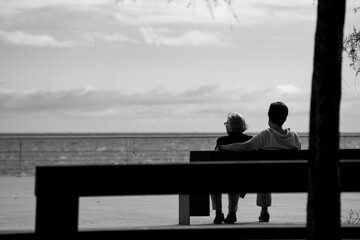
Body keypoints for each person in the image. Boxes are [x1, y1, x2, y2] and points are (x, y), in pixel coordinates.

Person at [218, 102, 301, 222]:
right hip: (290, 179)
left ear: (269, 116)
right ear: (285, 117)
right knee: (265, 173)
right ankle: (264, 211)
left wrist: (224, 147)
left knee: (264, 174)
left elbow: (243, 147)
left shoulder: (266, 135)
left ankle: (263, 211)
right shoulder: (294, 136)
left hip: (266, 178)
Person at [212, 112, 252, 224]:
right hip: (244, 180)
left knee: (214, 180)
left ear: (229, 126)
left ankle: (218, 213)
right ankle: (232, 212)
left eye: (226, 123)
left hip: (224, 179)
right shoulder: (250, 140)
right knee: (236, 176)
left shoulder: (221, 141)